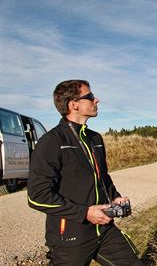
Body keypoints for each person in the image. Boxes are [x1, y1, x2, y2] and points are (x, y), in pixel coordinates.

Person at [27, 80, 142, 266]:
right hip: (70, 236)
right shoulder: (52, 142)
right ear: (74, 105)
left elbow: (102, 177)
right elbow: (36, 196)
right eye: (90, 97)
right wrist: (85, 213)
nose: (97, 99)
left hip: (104, 229)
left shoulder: (95, 138)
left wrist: (115, 197)